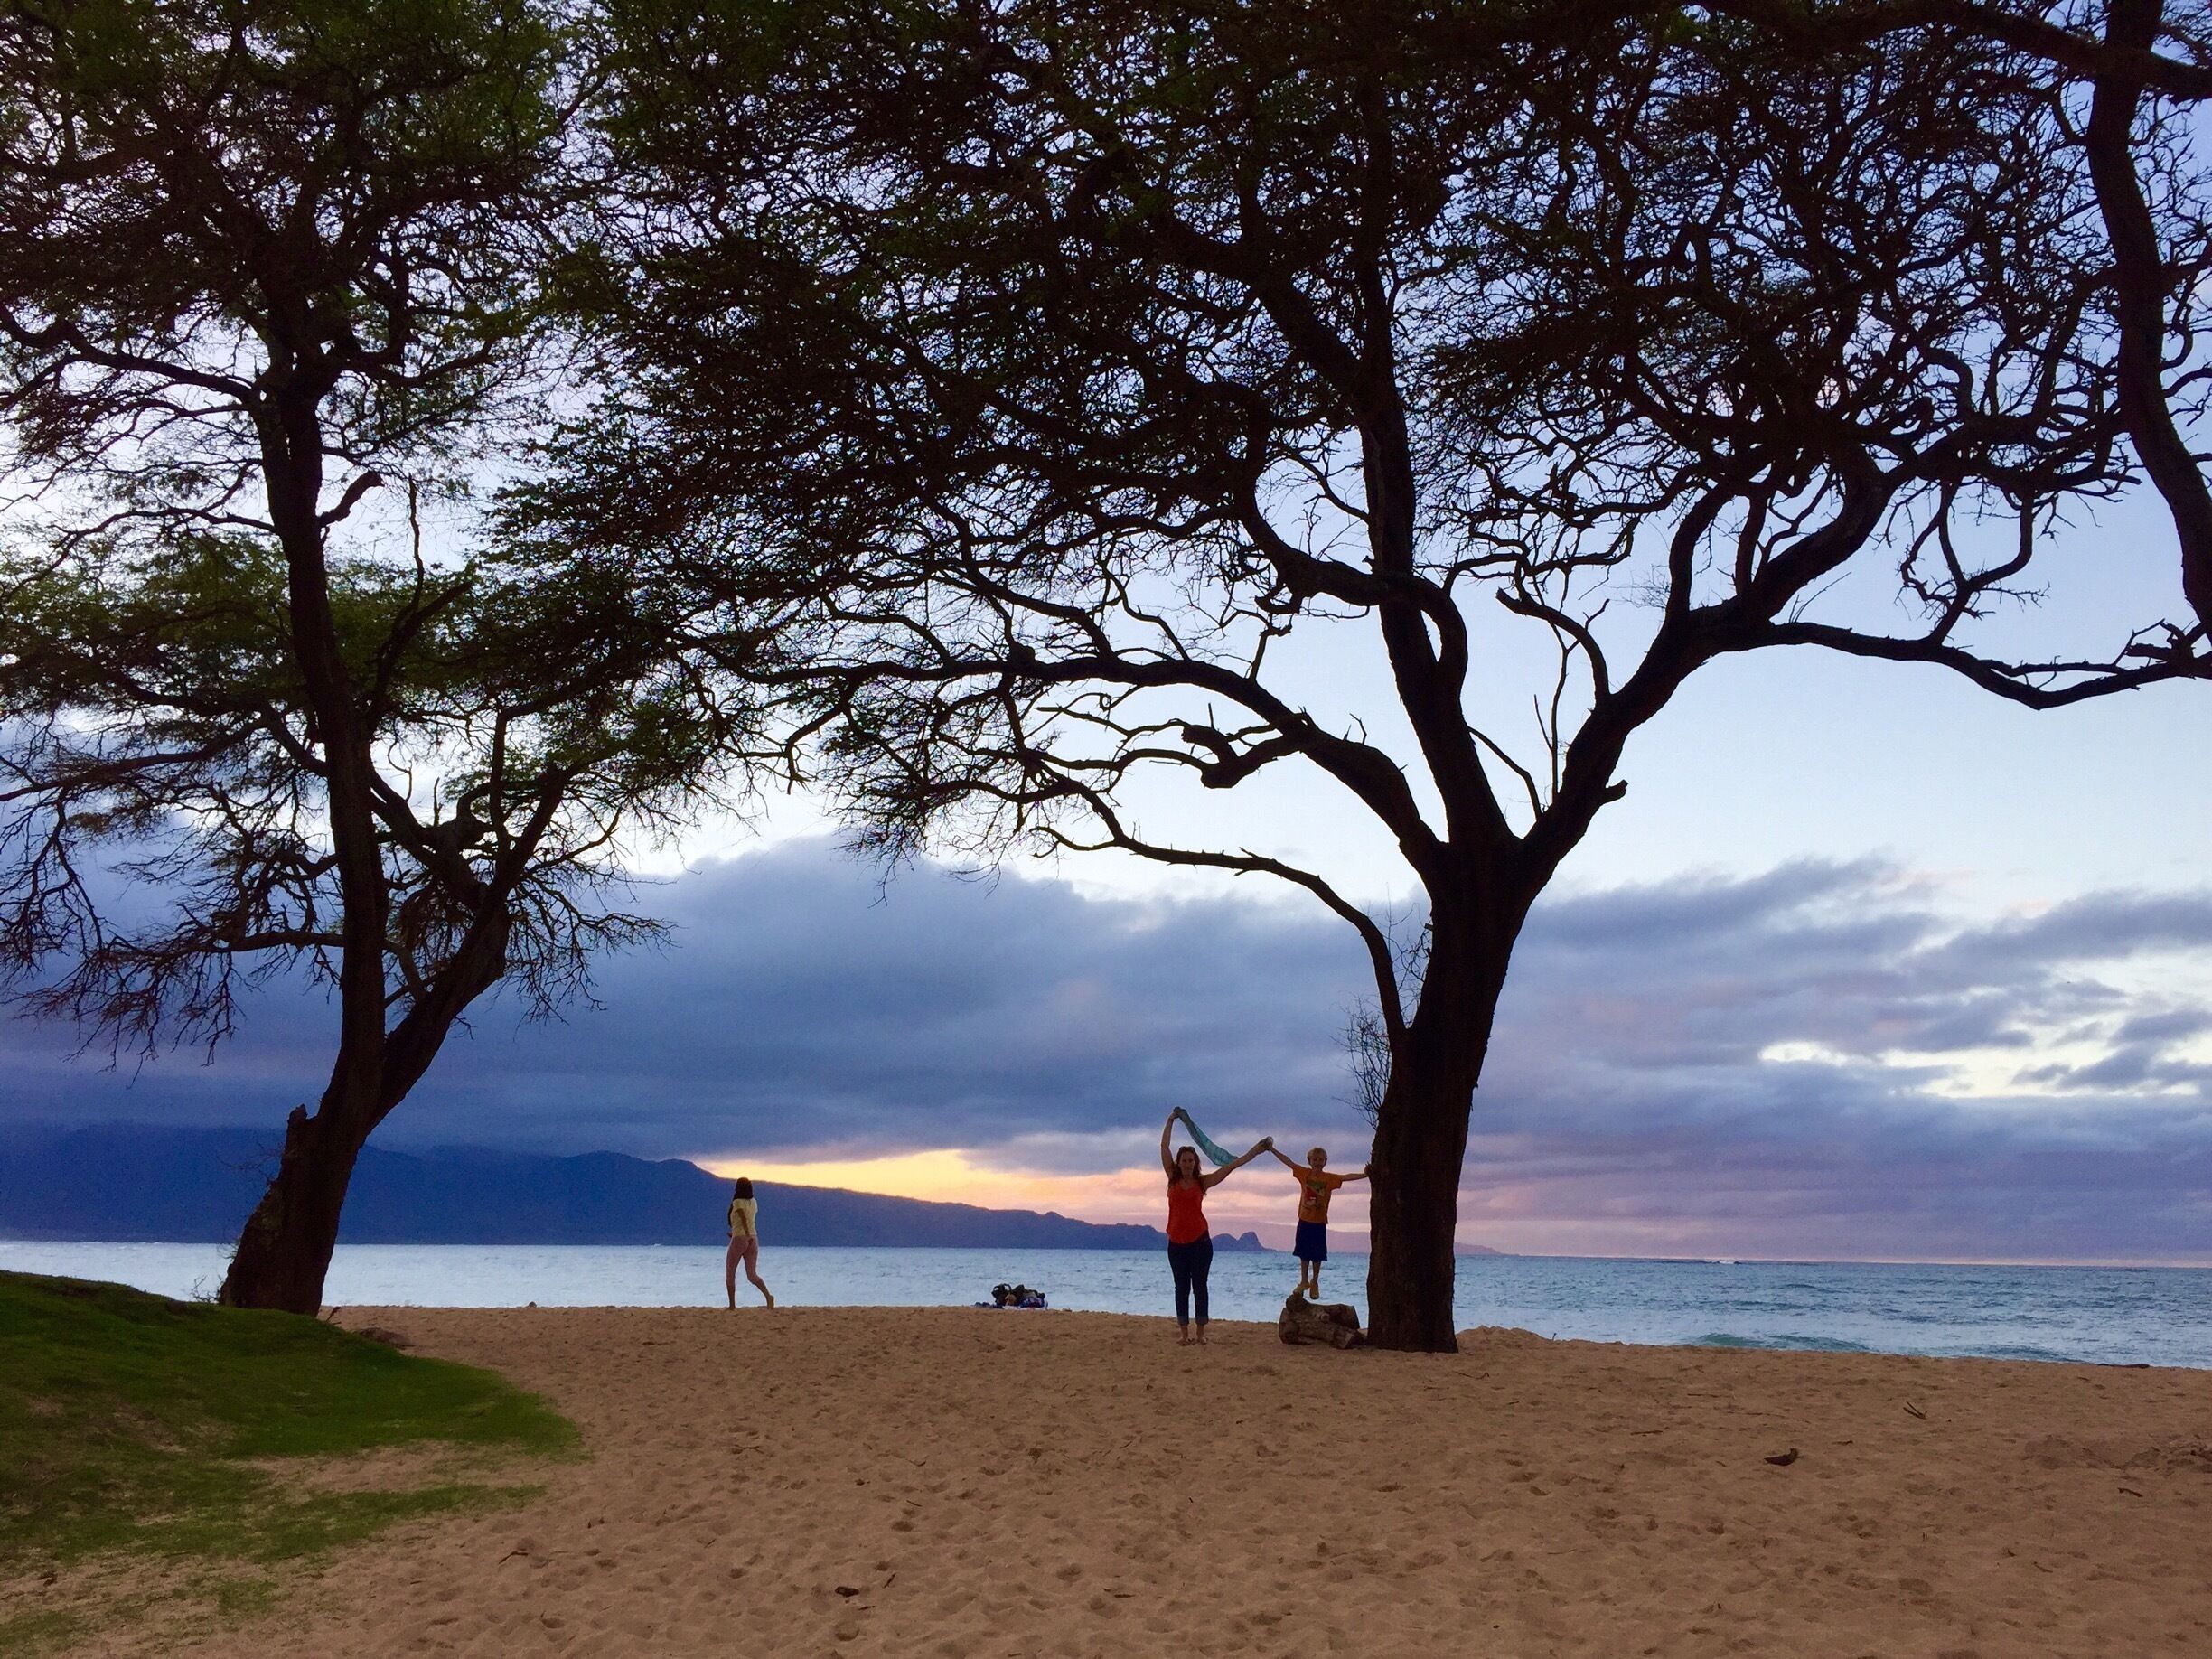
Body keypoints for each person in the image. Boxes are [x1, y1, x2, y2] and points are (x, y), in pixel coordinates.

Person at [1160, 1111, 1270, 1345]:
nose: (1187, 1163)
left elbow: (1232, 1166)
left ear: (1195, 1163)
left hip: (1200, 1243)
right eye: (1184, 1160)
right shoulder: (1172, 1178)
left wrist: (1256, 1150)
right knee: (1181, 1288)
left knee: (1200, 1286)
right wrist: (1170, 1121)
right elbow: (1164, 1146)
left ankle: (1200, 1335)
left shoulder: (1203, 1182)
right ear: (1178, 1163)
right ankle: (1184, 1334)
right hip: (1176, 1244)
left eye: (1191, 1160)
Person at [1265, 1144, 1369, 1299]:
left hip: (1319, 1222)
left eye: (1321, 1160)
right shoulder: (1304, 1174)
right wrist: (1272, 1150)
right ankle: (1304, 1281)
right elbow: (1288, 1162)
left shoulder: (1328, 1178)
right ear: (1309, 1161)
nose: (1318, 1162)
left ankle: (1315, 1281)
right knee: (1303, 1252)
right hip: (1304, 1220)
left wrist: (1365, 1174)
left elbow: (1346, 1177)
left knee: (1318, 1255)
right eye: (1315, 1159)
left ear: (1325, 1162)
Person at [725, 1176, 773, 1309]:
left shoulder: (737, 1202)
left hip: (742, 1238)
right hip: (753, 1237)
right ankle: (768, 1296)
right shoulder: (754, 1202)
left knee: (730, 1272)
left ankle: (732, 1305)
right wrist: (745, 1235)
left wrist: (744, 1235)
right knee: (752, 1275)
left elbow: (743, 1219)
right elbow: (748, 1220)